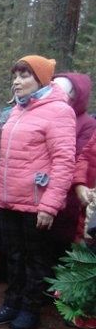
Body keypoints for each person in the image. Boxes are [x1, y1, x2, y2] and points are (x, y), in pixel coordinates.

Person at [0, 56, 76, 329]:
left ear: (41, 80)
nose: (16, 81)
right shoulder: (17, 110)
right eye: (16, 76)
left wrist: (50, 204)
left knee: (36, 259)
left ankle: (30, 309)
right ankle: (11, 304)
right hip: (10, 198)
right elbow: (5, 156)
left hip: (37, 202)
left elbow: (63, 161)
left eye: (24, 76)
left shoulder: (59, 111)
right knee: (13, 255)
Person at [50, 73, 96, 263]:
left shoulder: (87, 124)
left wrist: (76, 184)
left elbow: (75, 156)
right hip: (55, 193)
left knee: (65, 249)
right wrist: (80, 183)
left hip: (72, 201)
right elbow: (86, 156)